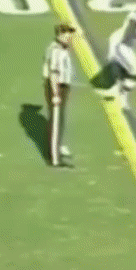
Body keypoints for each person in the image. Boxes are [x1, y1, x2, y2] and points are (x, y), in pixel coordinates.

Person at [42, 24, 77, 168]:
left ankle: (57, 148)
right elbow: (54, 73)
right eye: (67, 35)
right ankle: (55, 158)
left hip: (62, 86)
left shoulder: (63, 48)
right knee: (56, 121)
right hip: (57, 87)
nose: (69, 38)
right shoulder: (56, 50)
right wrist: (56, 93)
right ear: (60, 35)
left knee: (59, 119)